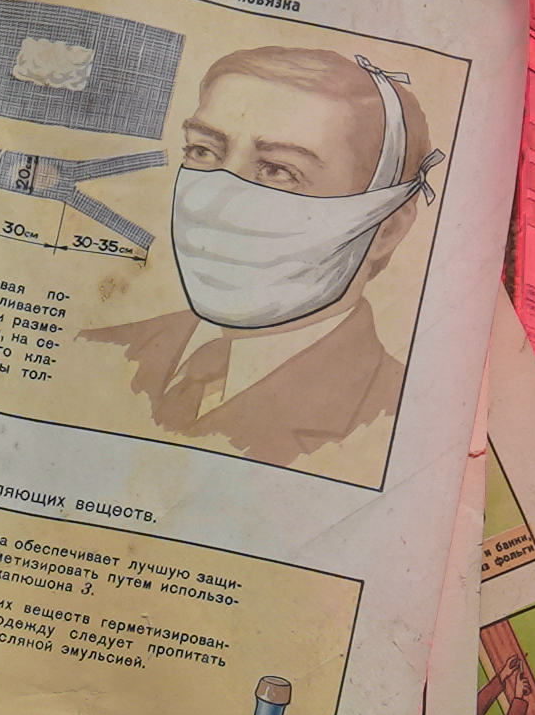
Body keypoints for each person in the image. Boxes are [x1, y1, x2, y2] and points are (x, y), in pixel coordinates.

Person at [105, 45, 432, 471]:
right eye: (204, 151)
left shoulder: (399, 421)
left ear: (387, 227)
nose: (212, 204)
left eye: (279, 170)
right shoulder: (102, 350)